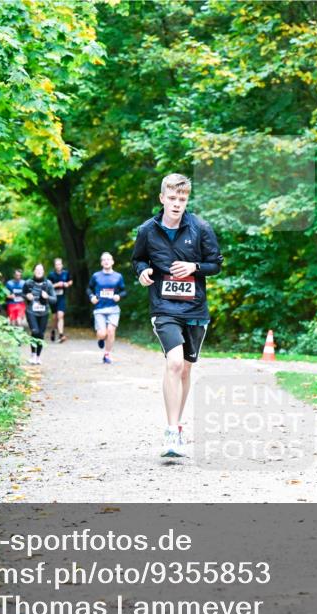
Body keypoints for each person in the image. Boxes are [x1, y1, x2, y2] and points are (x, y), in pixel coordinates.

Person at [131, 173, 223, 457]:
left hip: (194, 308)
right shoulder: (147, 230)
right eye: (172, 198)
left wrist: (194, 267)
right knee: (173, 363)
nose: (176, 204)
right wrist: (143, 271)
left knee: (185, 369)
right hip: (164, 306)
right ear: (162, 198)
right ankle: (171, 432)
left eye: (182, 199)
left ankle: (178, 426)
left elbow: (215, 264)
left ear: (186, 200)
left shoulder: (200, 228)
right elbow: (138, 258)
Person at [86, 252, 126, 364]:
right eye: (104, 259)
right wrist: (92, 296)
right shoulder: (96, 276)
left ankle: (107, 354)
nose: (106, 261)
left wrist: (119, 296)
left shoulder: (118, 276)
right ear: (101, 263)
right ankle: (100, 338)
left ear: (112, 261)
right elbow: (89, 289)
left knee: (111, 331)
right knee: (102, 334)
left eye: (108, 259)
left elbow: (124, 291)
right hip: (99, 309)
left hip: (113, 309)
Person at [22, 264, 56, 365]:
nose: (39, 271)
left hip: (44, 313)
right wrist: (27, 296)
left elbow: (54, 300)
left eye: (41, 270)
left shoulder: (48, 284)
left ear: (43, 271)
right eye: (37, 270)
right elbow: (22, 294)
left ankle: (38, 357)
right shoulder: (28, 283)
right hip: (31, 311)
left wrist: (47, 297)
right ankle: (32, 355)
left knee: (40, 334)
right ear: (34, 271)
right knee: (35, 331)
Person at [47, 257, 73, 343]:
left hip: (62, 297)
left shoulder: (66, 273)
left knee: (60, 315)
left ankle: (61, 334)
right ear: (54, 266)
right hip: (53, 298)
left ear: (62, 265)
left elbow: (70, 281)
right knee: (54, 317)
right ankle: (53, 331)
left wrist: (67, 284)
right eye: (56, 264)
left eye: (59, 264)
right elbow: (48, 286)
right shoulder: (51, 275)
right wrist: (57, 285)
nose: (58, 266)